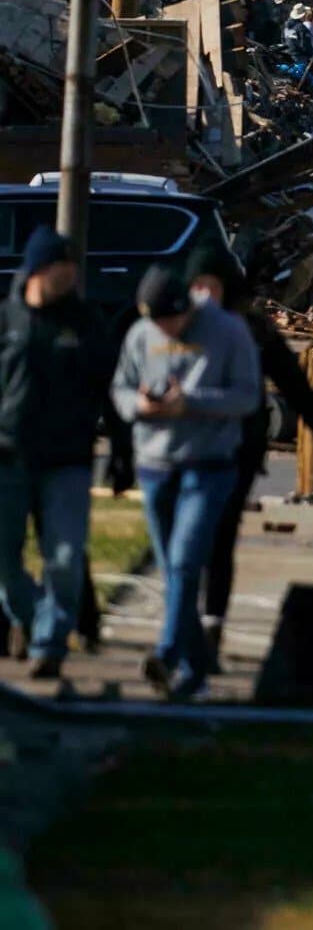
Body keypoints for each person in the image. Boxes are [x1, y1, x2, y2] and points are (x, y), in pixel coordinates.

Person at [185, 249, 313, 673]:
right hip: (187, 448)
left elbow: (294, 383)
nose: (201, 294)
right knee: (188, 540)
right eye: (195, 285)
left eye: (209, 286)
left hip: (239, 448)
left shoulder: (251, 329)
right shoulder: (180, 324)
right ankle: (186, 627)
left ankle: (211, 625)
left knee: (219, 534)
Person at [112, 264, 259, 699]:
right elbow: (119, 388)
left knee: (184, 561)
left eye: (169, 322)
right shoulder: (141, 334)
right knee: (176, 573)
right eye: (155, 323)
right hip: (155, 463)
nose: (163, 331)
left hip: (208, 464)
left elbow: (248, 396)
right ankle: (196, 672)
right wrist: (138, 405)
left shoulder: (228, 330)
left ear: (184, 309)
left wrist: (190, 403)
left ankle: (168, 652)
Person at [0, 228, 115, 680]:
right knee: (5, 565)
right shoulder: (7, 319)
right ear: (35, 270)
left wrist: (122, 449)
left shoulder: (86, 323)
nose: (67, 277)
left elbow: (109, 389)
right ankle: (30, 619)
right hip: (7, 455)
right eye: (58, 268)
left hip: (66, 459)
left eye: (71, 269)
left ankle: (49, 643)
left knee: (65, 558)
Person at [282, 2, 313, 91]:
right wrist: (310, 54)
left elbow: (283, 40)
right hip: (300, 57)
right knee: (309, 81)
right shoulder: (301, 28)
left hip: (288, 55)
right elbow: (305, 45)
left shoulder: (286, 27)